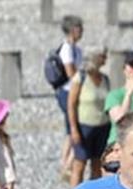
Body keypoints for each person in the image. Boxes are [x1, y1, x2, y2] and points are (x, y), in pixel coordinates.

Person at [66, 49, 111, 187]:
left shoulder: (105, 79)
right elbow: (71, 104)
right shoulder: (80, 78)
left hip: (103, 126)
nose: (105, 59)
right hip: (84, 126)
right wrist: (73, 129)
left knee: (97, 164)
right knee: (80, 163)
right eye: (102, 56)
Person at [55, 16, 85, 177]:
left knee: (69, 129)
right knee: (74, 127)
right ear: (73, 29)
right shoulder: (67, 49)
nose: (82, 31)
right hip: (67, 91)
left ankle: (65, 162)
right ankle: (66, 165)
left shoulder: (76, 49)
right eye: (79, 27)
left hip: (72, 89)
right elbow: (70, 73)